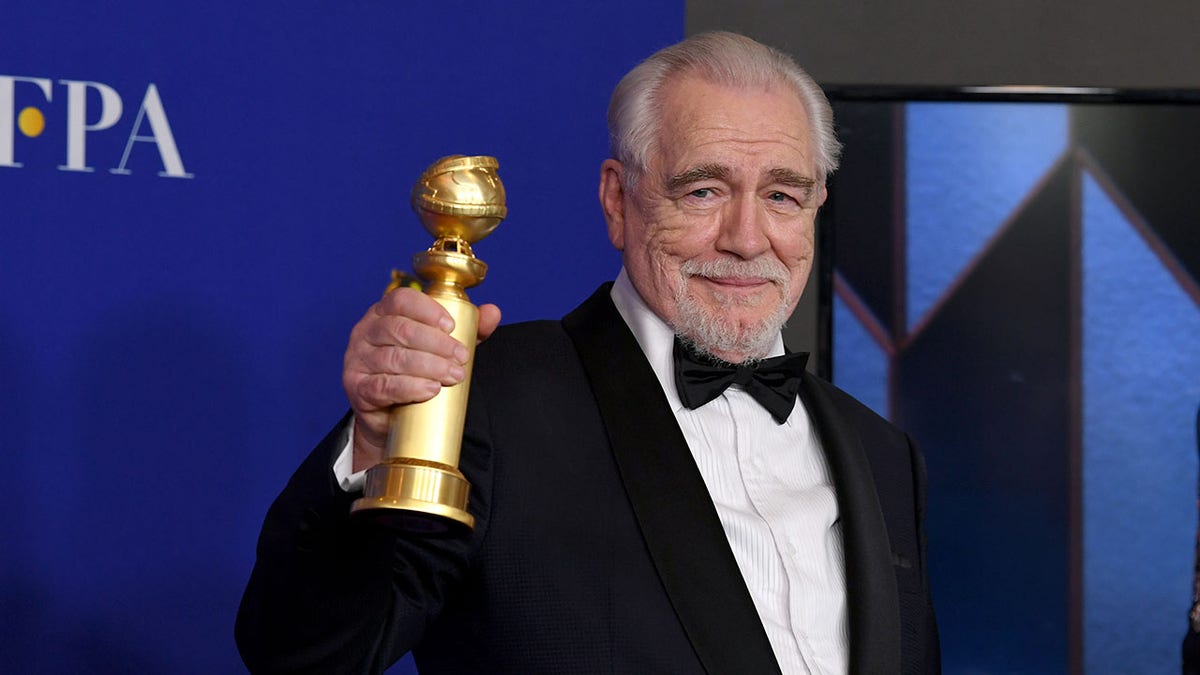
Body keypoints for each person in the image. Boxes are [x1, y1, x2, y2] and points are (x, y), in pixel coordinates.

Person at [236, 31, 939, 674]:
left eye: (783, 194)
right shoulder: (490, 398)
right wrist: (375, 443)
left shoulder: (883, 454)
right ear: (617, 200)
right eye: (703, 189)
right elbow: (300, 650)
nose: (748, 239)